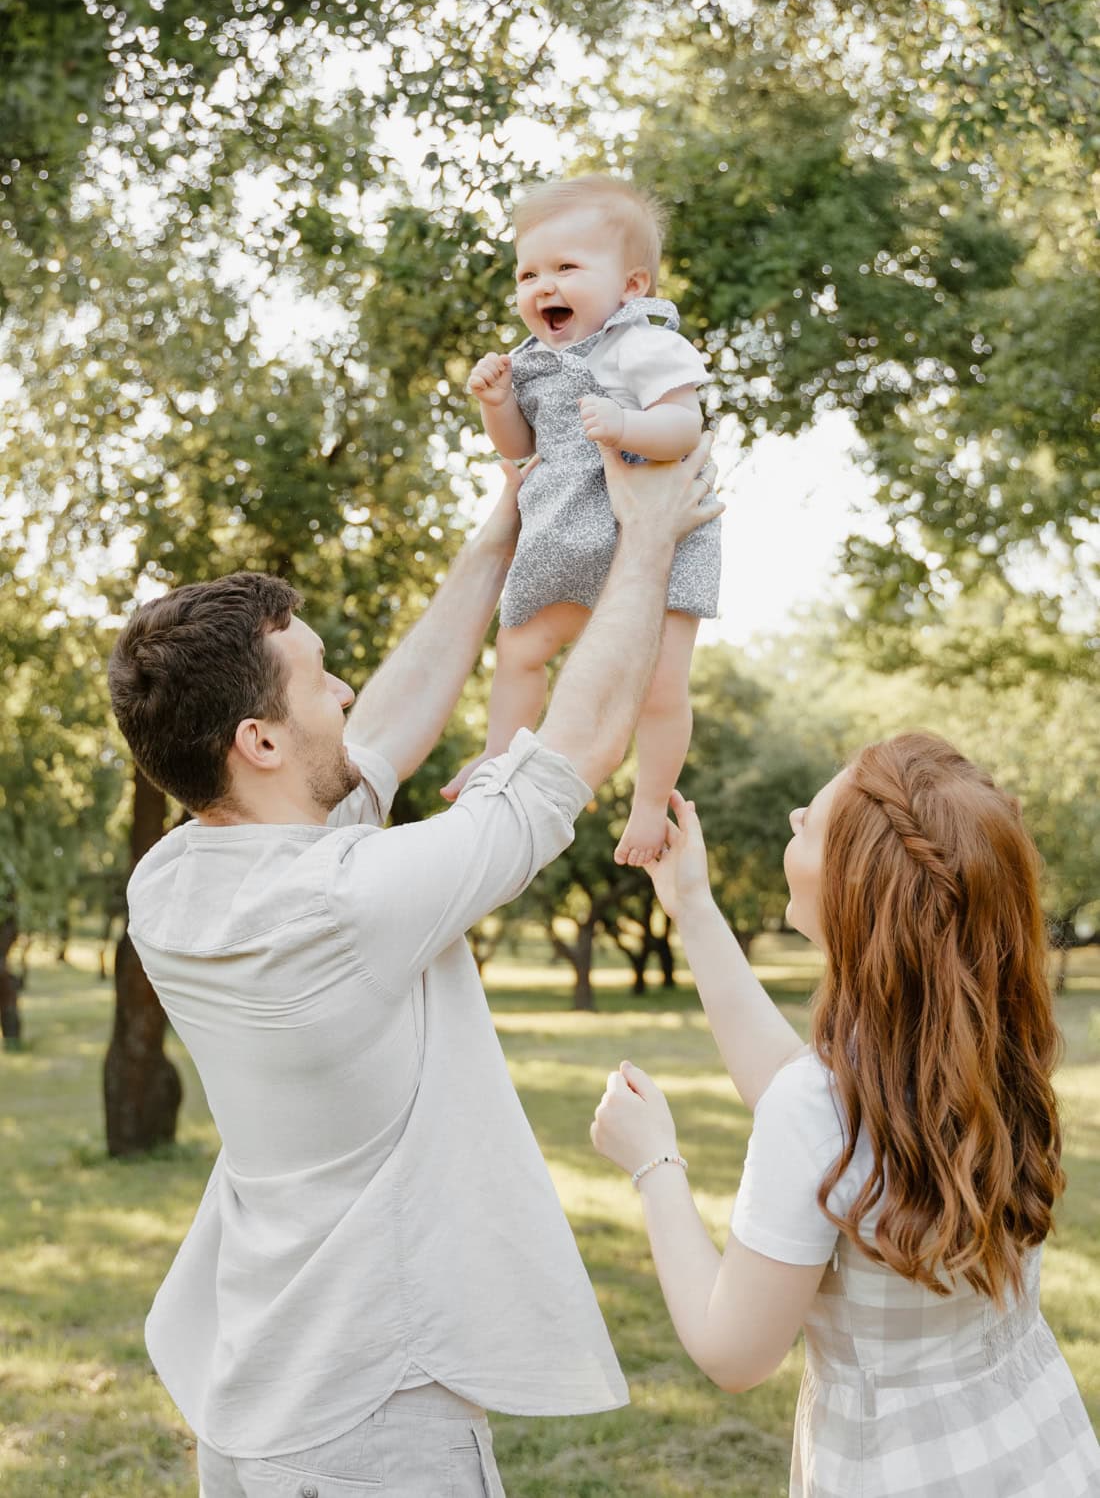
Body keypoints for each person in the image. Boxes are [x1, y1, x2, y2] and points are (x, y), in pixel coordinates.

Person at [106, 441, 723, 1498]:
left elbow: (381, 726)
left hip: (249, 1404)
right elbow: (575, 748)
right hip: (373, 1425)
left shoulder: (168, 886)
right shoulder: (347, 901)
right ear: (257, 741)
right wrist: (652, 539)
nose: (343, 686)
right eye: (316, 677)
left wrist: (506, 516)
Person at [591, 736, 1100, 1496]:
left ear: (858, 887)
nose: (794, 815)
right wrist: (693, 907)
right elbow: (810, 1109)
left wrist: (653, 1162)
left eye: (813, 823)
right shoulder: (991, 1046)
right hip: (1039, 1449)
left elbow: (734, 1353)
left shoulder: (828, 1102)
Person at [442, 174, 721, 870]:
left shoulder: (641, 342)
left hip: (653, 533)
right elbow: (519, 451)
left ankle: (651, 802)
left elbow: (686, 426)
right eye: (529, 272)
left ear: (631, 285)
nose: (543, 286)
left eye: (567, 268)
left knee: (659, 686)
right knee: (519, 650)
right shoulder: (532, 360)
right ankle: (499, 755)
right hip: (565, 531)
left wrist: (629, 422)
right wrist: (497, 402)